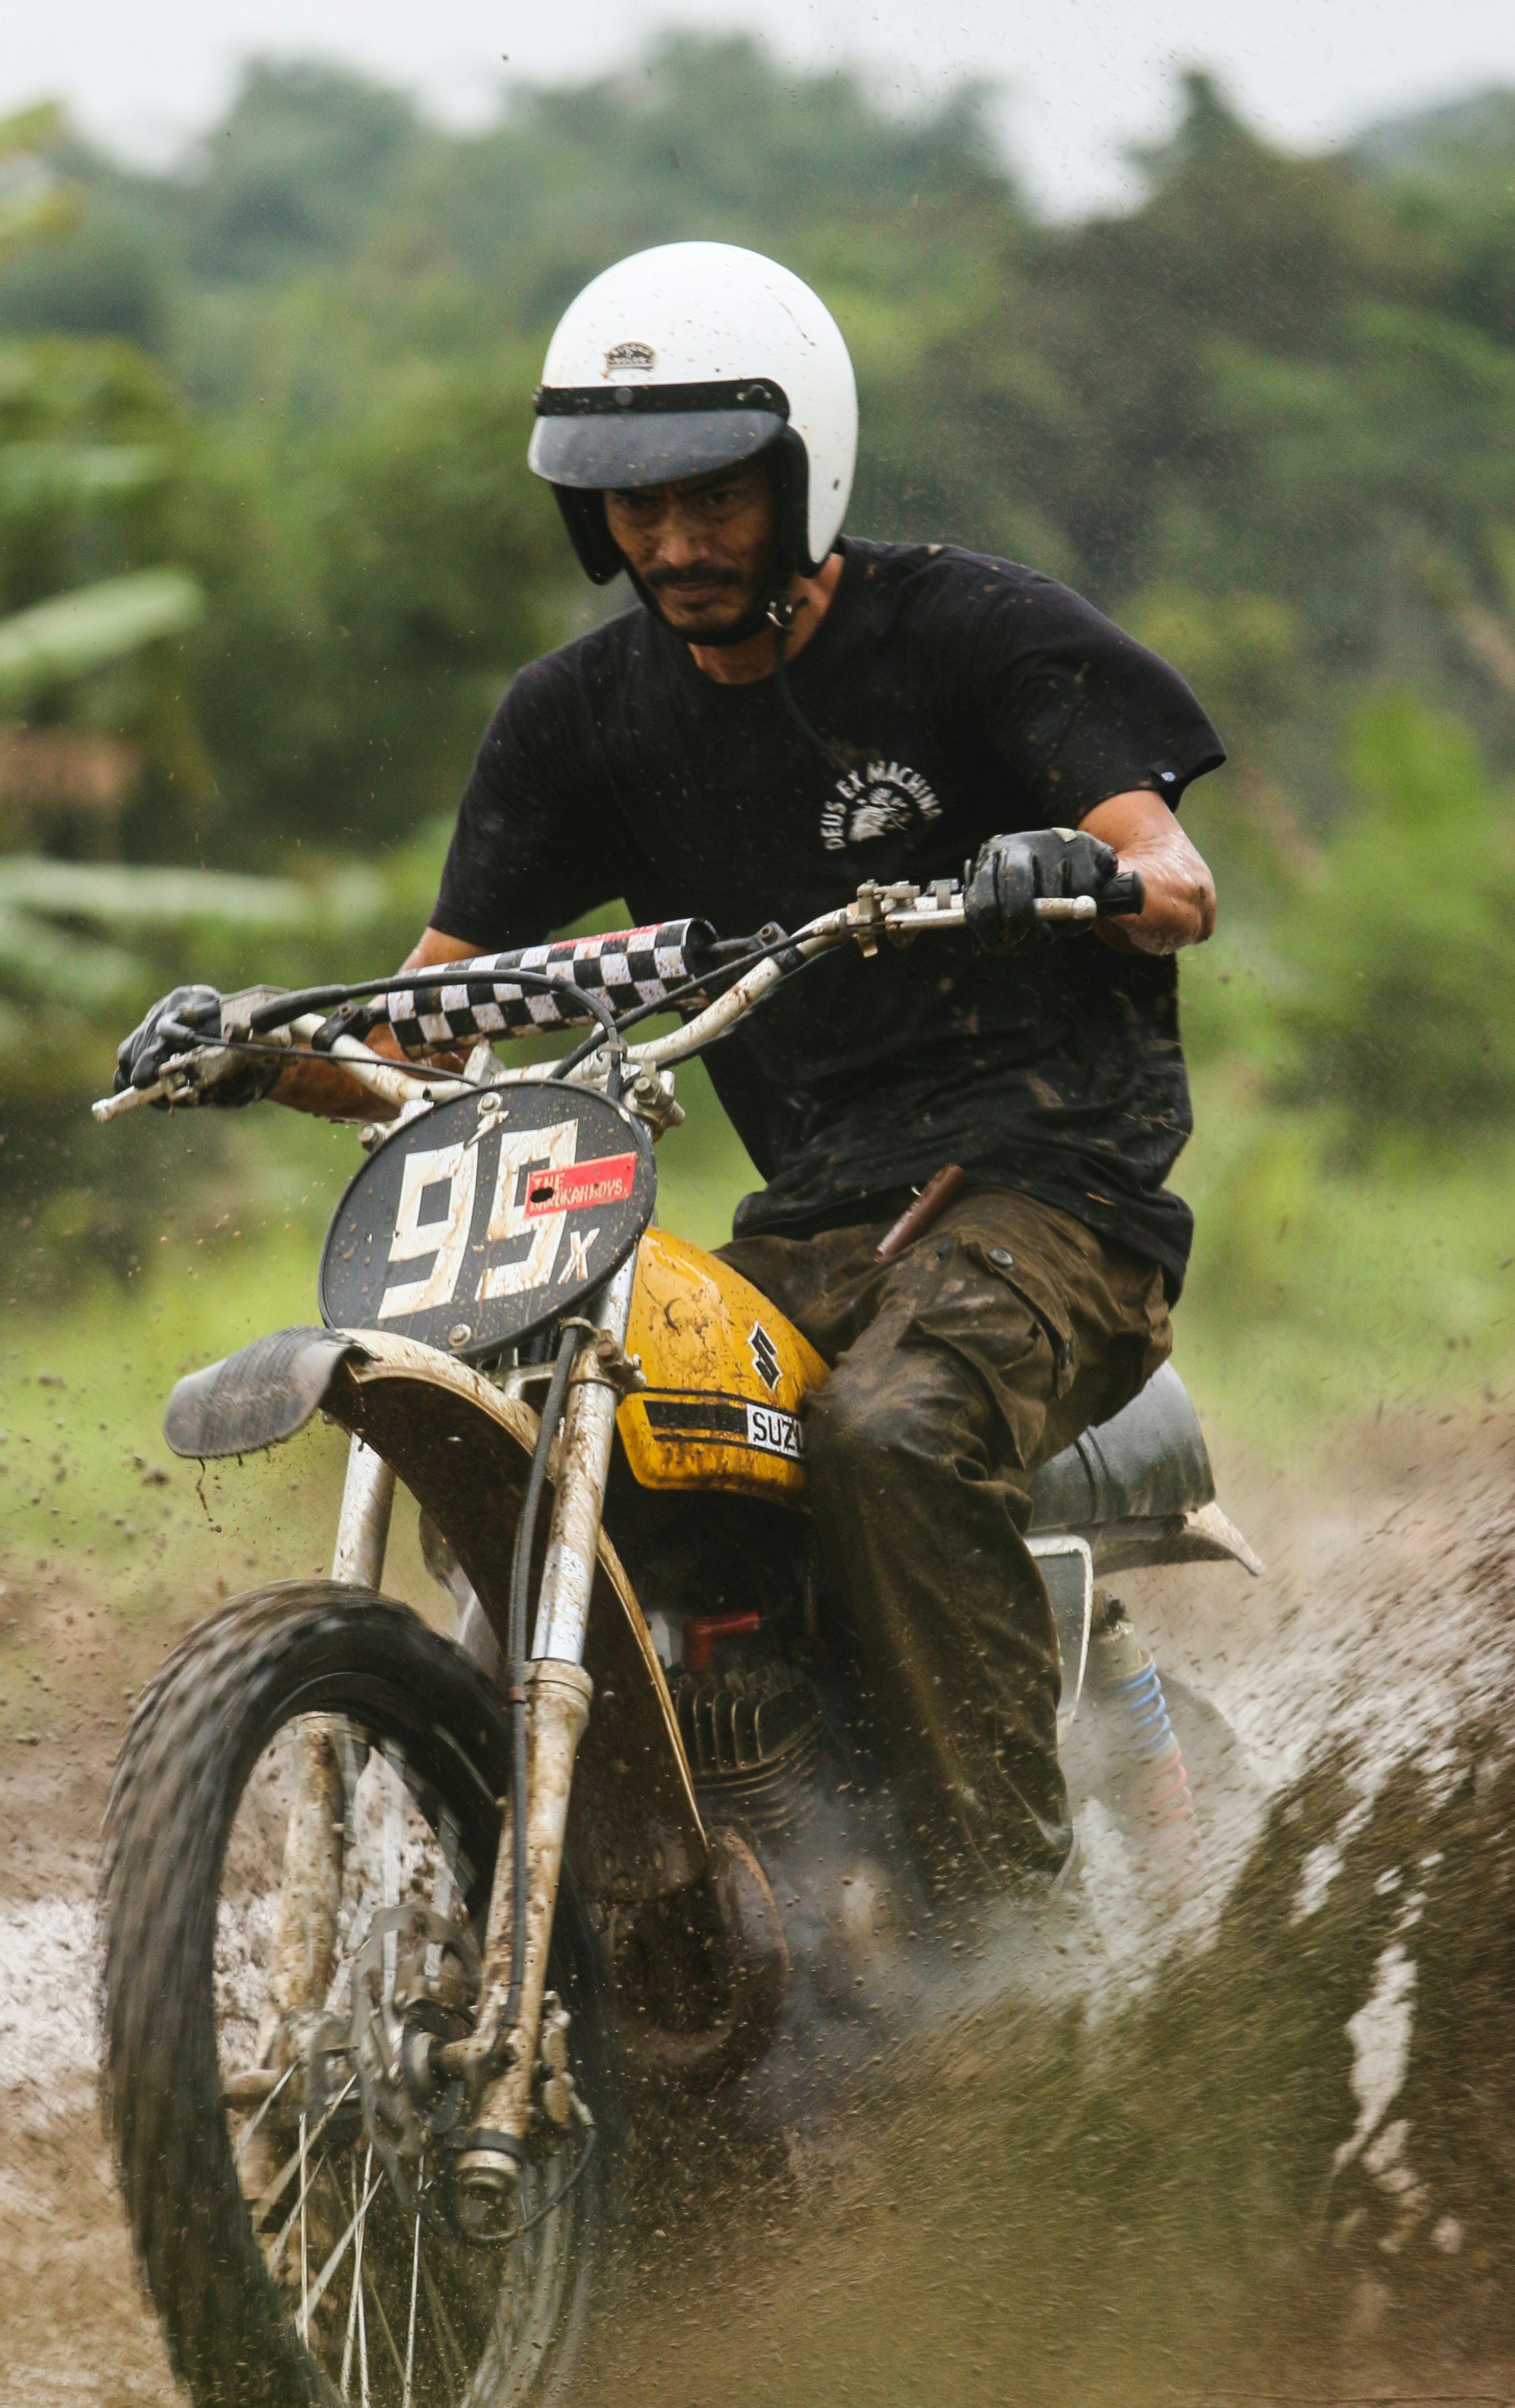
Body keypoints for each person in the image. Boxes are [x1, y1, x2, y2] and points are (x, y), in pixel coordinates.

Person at [117, 240, 1222, 1900]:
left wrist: (1079, 872)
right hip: (812, 1222)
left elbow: (1177, 881)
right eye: (636, 506)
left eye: (717, 498)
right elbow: (440, 1019)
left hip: (1054, 1197)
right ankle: (647, 1899)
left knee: (890, 1437)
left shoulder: (978, 633)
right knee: (592, 1416)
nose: (678, 541)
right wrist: (265, 1053)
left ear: (803, 474)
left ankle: (1013, 1934)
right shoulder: (577, 717)